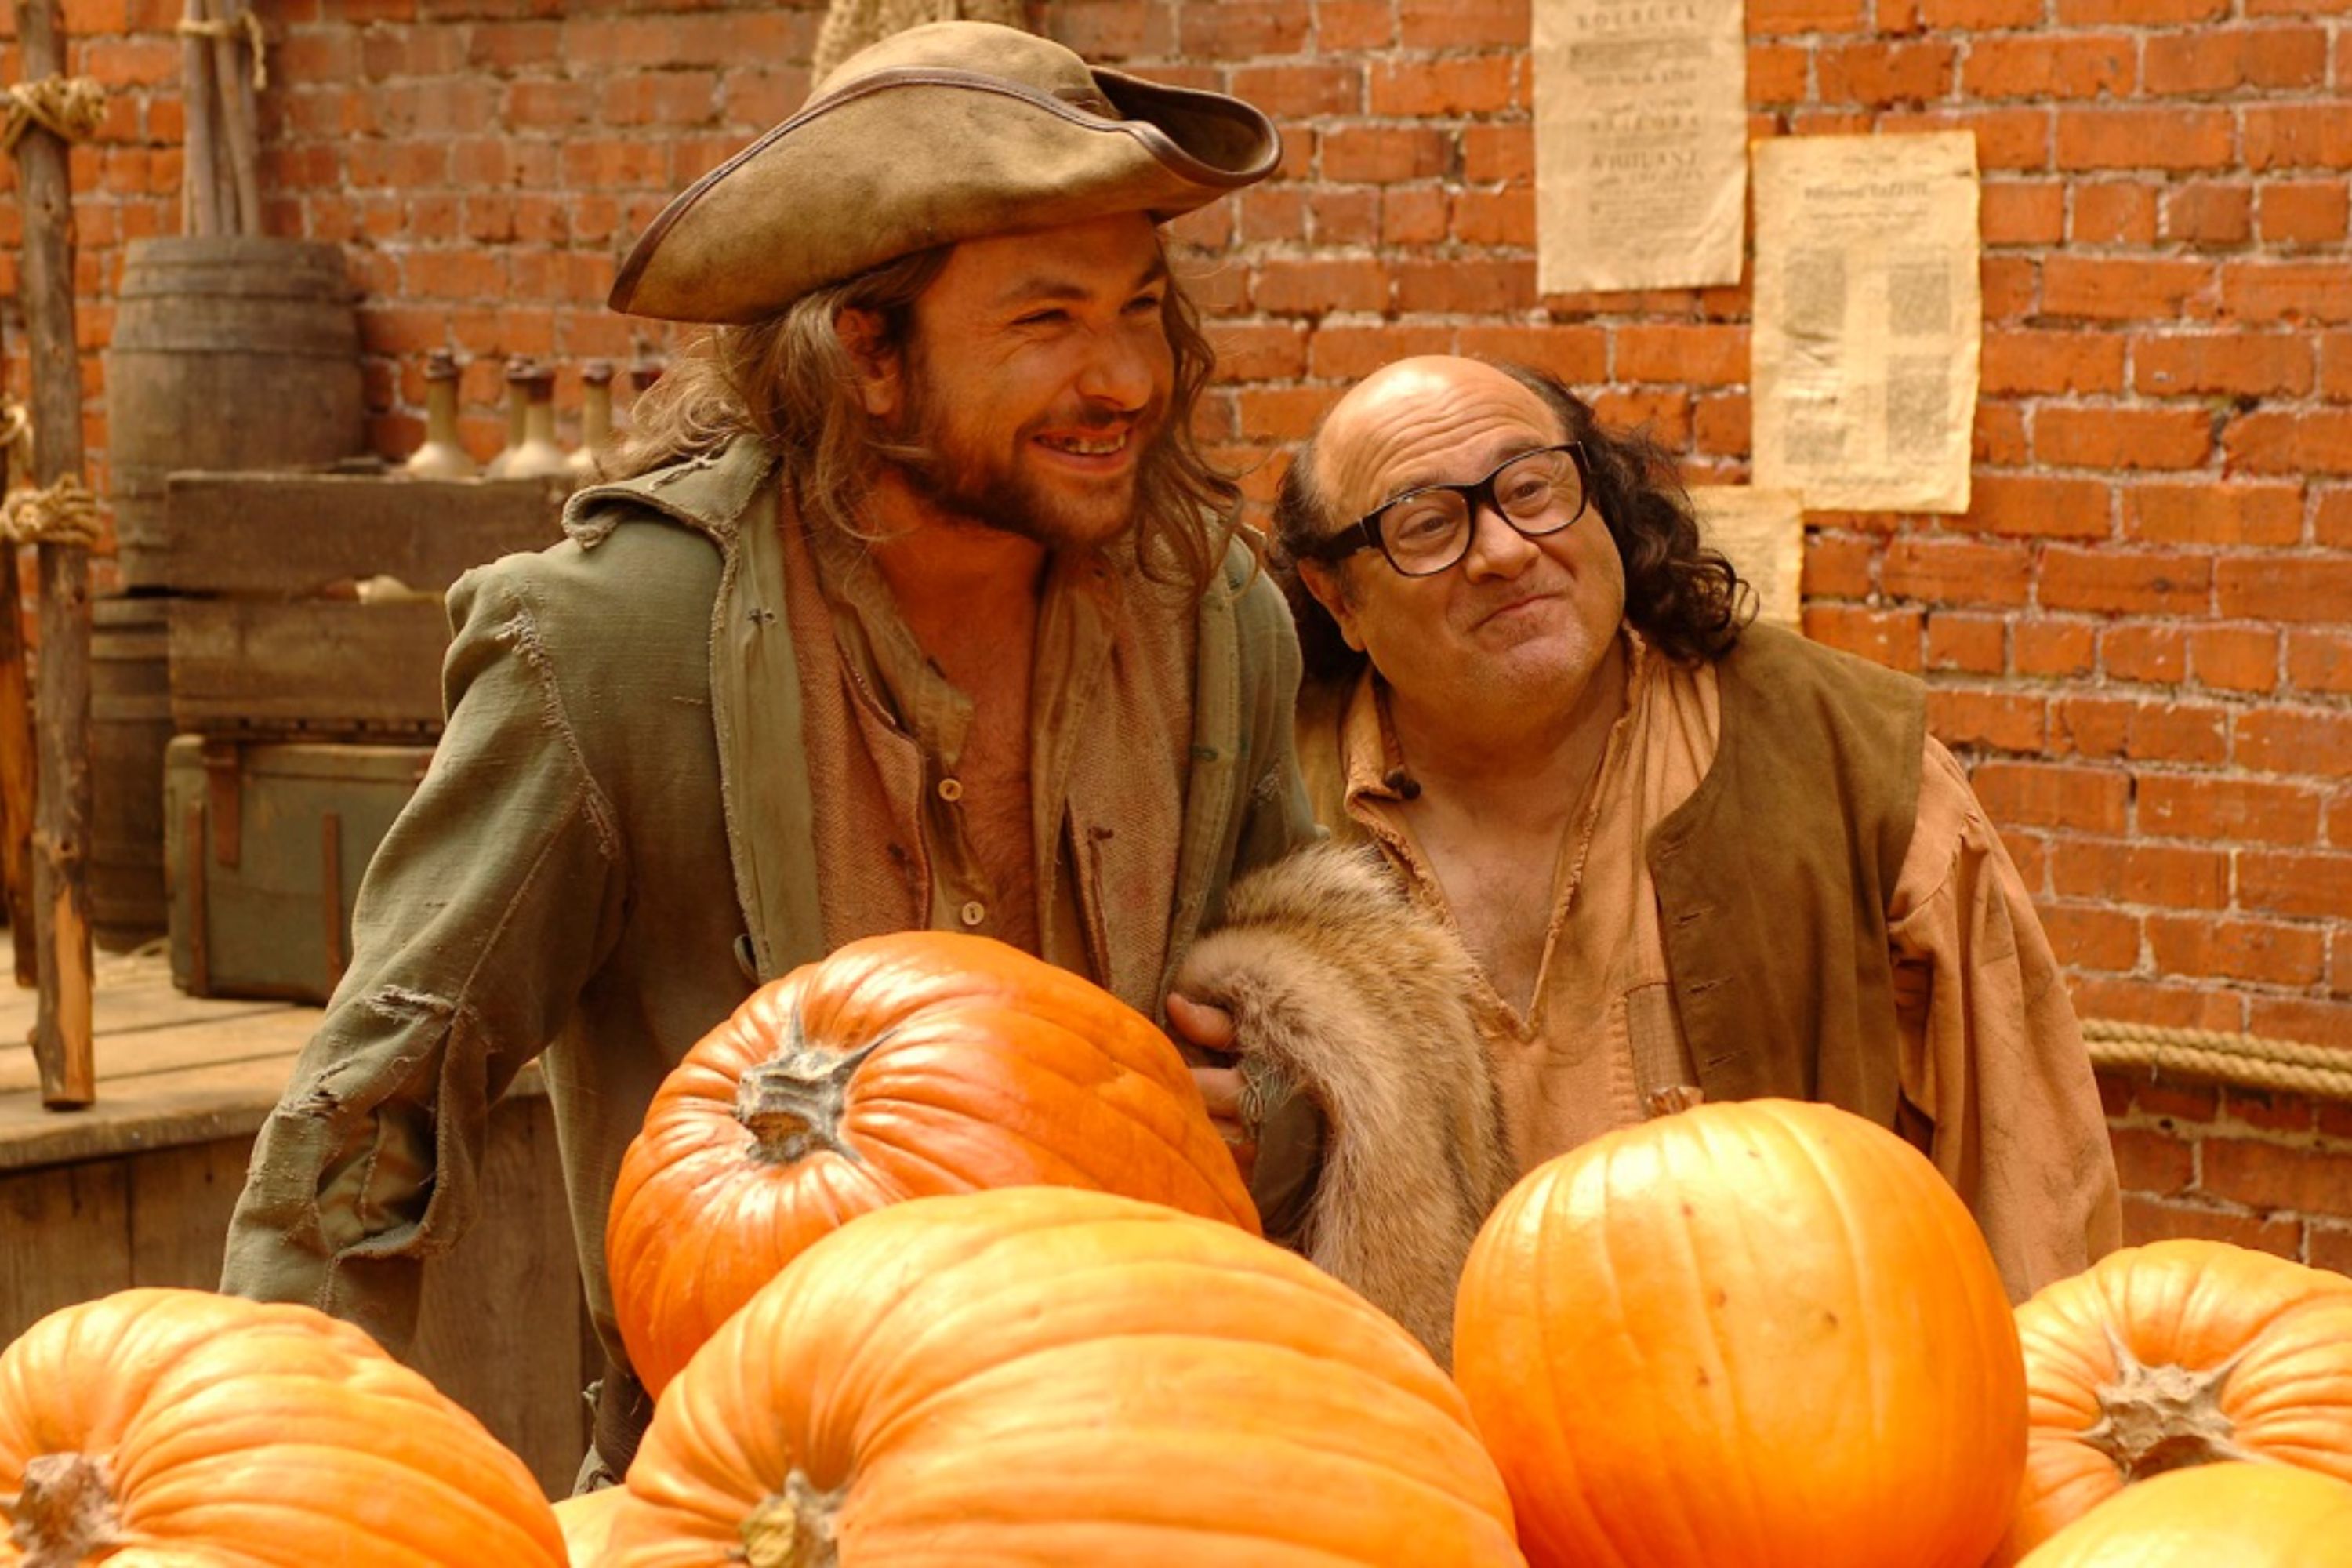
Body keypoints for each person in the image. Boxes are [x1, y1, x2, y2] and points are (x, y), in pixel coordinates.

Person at [218, 22, 1319, 1479]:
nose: (1124, 378)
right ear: (870, 353)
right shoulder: (612, 645)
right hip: (765, 1490)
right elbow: (372, 1112)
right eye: (1047, 322)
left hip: (1155, 1466)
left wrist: (1290, 1100)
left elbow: (1308, 981)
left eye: (1139, 308)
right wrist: (266, 1483)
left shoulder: (1212, 614)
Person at [1262, 354, 2123, 1301]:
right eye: (1428, 523)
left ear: (1600, 499)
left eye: (1534, 488)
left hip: (1809, 1416)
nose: (1504, 549)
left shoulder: (1845, 762)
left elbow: (2030, 1191)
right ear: (1338, 596)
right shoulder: (1262, 805)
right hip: (1396, 1430)